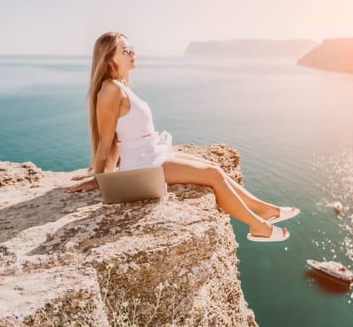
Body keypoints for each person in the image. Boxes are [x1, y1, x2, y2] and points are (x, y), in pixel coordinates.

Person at [66, 32, 300, 242]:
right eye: (125, 51)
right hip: (142, 164)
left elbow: (117, 137)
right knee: (213, 175)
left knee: (211, 164)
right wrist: (99, 179)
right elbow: (107, 140)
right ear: (108, 58)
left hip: (151, 155)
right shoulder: (111, 89)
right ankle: (258, 226)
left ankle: (265, 209)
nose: (133, 53)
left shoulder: (121, 86)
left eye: (132, 48)